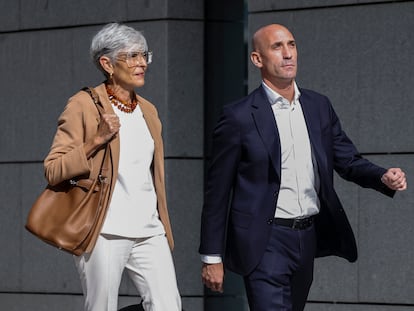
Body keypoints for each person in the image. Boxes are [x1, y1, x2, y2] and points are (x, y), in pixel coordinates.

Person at [199, 23, 407, 311]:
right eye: (277, 47)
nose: (288, 54)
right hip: (264, 240)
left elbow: (347, 160)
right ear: (257, 59)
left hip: (306, 237)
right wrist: (212, 256)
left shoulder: (318, 106)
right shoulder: (238, 117)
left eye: (292, 45)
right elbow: (217, 192)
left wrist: (382, 176)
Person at [44, 23, 181, 311]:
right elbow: (54, 168)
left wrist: (162, 223)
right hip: (103, 229)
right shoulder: (82, 105)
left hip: (149, 230)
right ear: (107, 63)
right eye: (132, 56)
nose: (142, 62)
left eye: (145, 55)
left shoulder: (149, 110)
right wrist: (96, 140)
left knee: (168, 305)